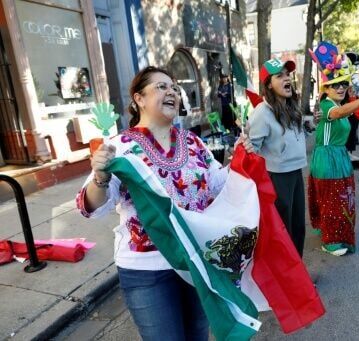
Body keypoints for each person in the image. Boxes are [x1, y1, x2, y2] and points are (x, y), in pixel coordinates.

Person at [76, 66, 254, 340]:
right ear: (139, 99)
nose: (171, 92)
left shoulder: (193, 142)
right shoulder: (119, 146)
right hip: (146, 270)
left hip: (195, 260)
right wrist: (100, 176)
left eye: (174, 88)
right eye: (161, 87)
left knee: (197, 334)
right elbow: (92, 207)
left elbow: (219, 184)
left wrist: (242, 157)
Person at [308, 41, 359, 256]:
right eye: (334, 85)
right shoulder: (327, 105)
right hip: (327, 158)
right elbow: (338, 115)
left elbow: (348, 113)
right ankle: (330, 241)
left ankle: (334, 233)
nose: (340, 88)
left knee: (340, 199)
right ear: (325, 89)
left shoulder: (338, 104)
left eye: (343, 84)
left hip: (338, 156)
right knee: (332, 200)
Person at [248, 58, 307, 257]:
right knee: (285, 230)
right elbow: (251, 149)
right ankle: (287, 279)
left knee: (298, 226)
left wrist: (309, 126)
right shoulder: (262, 113)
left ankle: (298, 273)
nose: (286, 79)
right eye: (279, 76)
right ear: (268, 85)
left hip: (296, 172)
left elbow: (293, 138)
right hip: (278, 178)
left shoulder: (291, 106)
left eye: (287, 74)